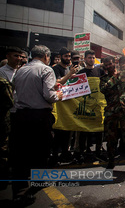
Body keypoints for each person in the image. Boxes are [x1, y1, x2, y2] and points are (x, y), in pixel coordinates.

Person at [10, 45, 62, 204]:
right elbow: (49, 95)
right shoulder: (46, 70)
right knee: (40, 151)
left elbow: (15, 89)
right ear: (46, 56)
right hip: (39, 117)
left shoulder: (21, 70)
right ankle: (38, 182)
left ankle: (19, 190)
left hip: (20, 115)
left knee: (20, 153)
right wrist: (59, 95)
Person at [100, 56, 125, 174]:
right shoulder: (104, 79)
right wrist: (115, 77)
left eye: (110, 64)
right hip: (111, 113)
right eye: (106, 65)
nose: (108, 66)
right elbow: (104, 89)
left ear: (114, 63)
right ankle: (111, 162)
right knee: (111, 140)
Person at [74, 50, 105, 163]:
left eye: (93, 58)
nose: (91, 60)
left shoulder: (100, 71)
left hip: (98, 107)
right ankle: (83, 152)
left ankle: (98, 151)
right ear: (85, 59)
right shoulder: (80, 73)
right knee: (84, 131)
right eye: (89, 58)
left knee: (99, 130)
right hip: (85, 106)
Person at [51, 47, 79, 164]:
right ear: (61, 56)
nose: (68, 59)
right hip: (59, 105)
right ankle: (54, 156)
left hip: (68, 104)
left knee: (68, 131)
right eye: (66, 56)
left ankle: (65, 153)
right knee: (58, 131)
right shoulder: (55, 69)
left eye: (69, 56)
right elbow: (58, 82)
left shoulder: (69, 69)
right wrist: (70, 74)